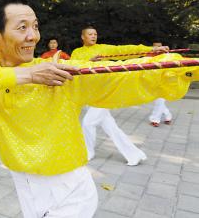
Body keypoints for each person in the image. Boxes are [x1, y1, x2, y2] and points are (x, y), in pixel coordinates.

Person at [0, 0, 198, 218]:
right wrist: (28, 75)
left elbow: (119, 77)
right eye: (22, 27)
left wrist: (182, 66)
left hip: (69, 191)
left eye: (35, 26)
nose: (33, 36)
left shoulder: (59, 74)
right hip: (25, 183)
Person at [71, 26, 170, 166]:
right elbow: (74, 67)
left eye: (95, 34)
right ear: (83, 37)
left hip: (104, 95)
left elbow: (125, 50)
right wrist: (90, 62)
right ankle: (134, 155)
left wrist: (152, 49)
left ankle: (88, 152)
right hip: (89, 95)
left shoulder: (103, 48)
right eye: (90, 34)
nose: (93, 36)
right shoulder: (76, 52)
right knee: (111, 128)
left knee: (88, 123)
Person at [148, 42, 173, 127]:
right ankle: (168, 116)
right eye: (155, 47)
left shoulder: (167, 57)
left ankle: (155, 120)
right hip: (152, 82)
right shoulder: (149, 56)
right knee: (158, 101)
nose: (157, 48)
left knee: (159, 101)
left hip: (164, 82)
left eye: (159, 46)